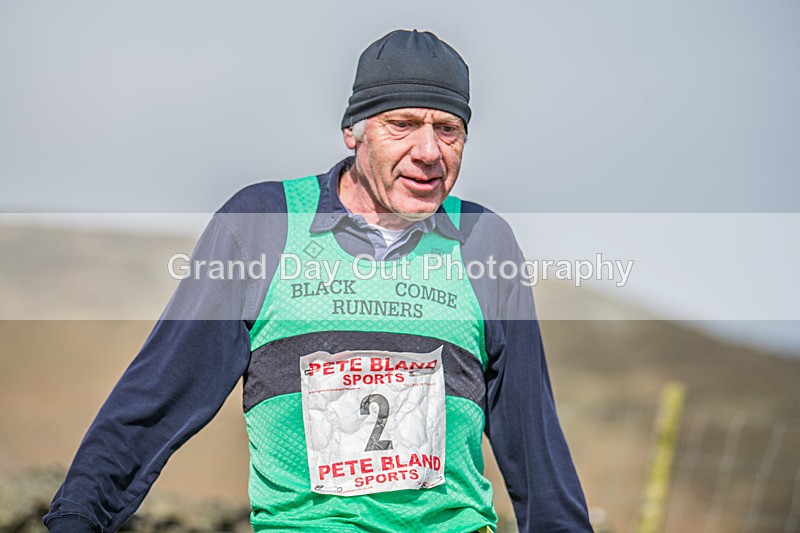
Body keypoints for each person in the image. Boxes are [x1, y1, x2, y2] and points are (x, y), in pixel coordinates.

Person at [44, 29, 592, 532]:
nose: (428, 152)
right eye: (402, 125)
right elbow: (157, 396)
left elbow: (533, 436)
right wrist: (77, 517)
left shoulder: (483, 241)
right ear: (353, 131)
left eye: (448, 130)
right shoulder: (263, 224)